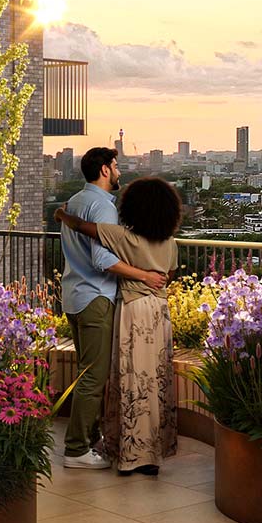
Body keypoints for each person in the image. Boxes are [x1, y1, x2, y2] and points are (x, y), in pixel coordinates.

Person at [53, 178, 182, 476]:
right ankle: (151, 455)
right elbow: (170, 275)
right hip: (159, 312)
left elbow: (83, 227)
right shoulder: (170, 242)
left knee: (129, 379)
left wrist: (61, 215)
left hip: (132, 311)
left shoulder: (124, 237)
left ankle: (128, 452)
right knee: (155, 380)